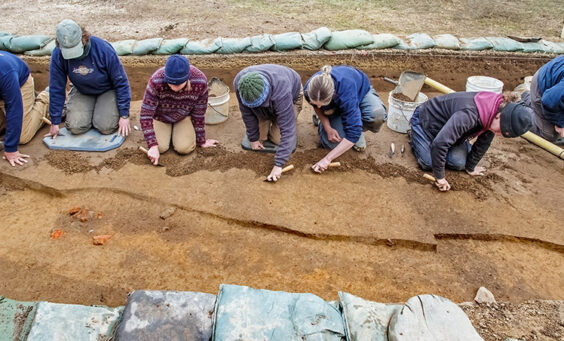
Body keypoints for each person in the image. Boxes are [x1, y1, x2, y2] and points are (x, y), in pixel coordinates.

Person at [409, 91, 532, 191]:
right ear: (499, 116)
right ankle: (414, 135)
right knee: (428, 163)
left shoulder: (497, 111)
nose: (499, 135)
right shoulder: (469, 115)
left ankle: (449, 140)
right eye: (501, 131)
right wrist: (440, 177)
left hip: (450, 129)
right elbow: (440, 143)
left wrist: (471, 167)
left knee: (459, 163)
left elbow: (484, 141)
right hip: (426, 122)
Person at [46, 19, 131, 139]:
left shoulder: (103, 49)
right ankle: (88, 111)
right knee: (75, 127)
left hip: (107, 90)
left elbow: (121, 82)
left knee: (105, 127)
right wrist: (55, 121)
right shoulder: (58, 54)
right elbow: (56, 86)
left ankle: (101, 112)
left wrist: (124, 115)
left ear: (83, 38)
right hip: (82, 90)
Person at [304, 65, 386, 173]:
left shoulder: (345, 93)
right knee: (331, 144)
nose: (318, 107)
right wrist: (328, 128)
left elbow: (353, 134)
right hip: (337, 103)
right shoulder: (309, 89)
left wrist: (327, 159)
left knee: (376, 116)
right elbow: (317, 106)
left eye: (322, 104)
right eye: (316, 104)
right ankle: (330, 117)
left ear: (333, 95)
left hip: (360, 91)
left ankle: (355, 120)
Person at [140, 55, 217, 166]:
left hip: (183, 117)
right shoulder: (156, 80)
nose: (174, 88)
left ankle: (176, 132)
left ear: (188, 78)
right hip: (161, 117)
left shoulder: (200, 81)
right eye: (170, 83)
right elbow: (145, 114)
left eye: (179, 84)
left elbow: (199, 113)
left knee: (184, 148)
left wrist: (202, 141)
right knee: (160, 147)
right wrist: (152, 145)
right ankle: (166, 134)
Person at [234, 64, 303, 182]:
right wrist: (253, 138)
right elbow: (247, 114)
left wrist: (278, 165)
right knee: (261, 137)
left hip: (291, 96)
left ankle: (277, 117)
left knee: (278, 139)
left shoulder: (282, 90)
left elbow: (287, 129)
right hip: (266, 106)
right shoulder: (240, 84)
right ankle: (267, 117)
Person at [0, 51, 49, 166]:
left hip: (20, 83)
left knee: (22, 135)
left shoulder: (5, 73)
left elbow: (14, 107)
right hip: (3, 90)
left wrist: (11, 148)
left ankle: (46, 98)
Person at [522, 55, 564, 143]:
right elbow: (549, 100)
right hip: (543, 88)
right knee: (548, 135)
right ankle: (517, 107)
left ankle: (527, 98)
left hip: (557, 89)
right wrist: (561, 123)